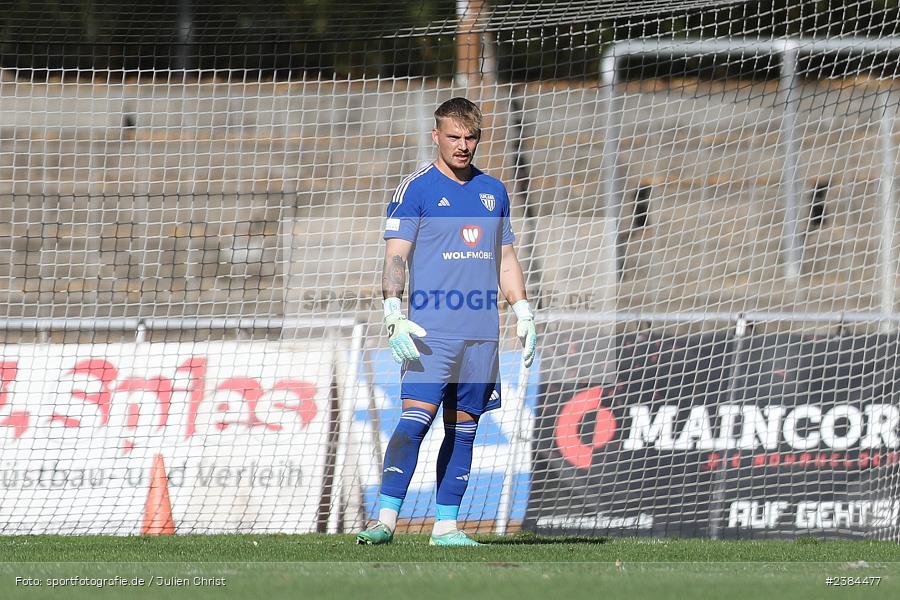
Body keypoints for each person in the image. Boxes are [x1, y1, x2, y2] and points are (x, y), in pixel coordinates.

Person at [356, 97, 536, 547]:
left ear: (479, 137)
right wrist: (392, 312)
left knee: (464, 429)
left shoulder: (493, 191)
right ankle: (385, 521)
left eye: (470, 137)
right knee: (414, 422)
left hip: (481, 336)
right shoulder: (415, 189)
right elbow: (396, 255)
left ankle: (447, 527)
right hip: (430, 334)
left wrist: (523, 310)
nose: (462, 145)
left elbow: (506, 257)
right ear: (436, 135)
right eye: (453, 136)